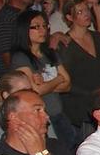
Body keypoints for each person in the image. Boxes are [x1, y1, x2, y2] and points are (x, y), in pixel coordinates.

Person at [11, 10, 75, 143]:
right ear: (24, 29)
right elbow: (35, 91)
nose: (42, 30)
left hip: (59, 114)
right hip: (40, 119)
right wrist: (58, 79)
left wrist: (45, 83)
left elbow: (68, 84)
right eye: (36, 26)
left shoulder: (50, 54)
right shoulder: (20, 57)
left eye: (44, 26)